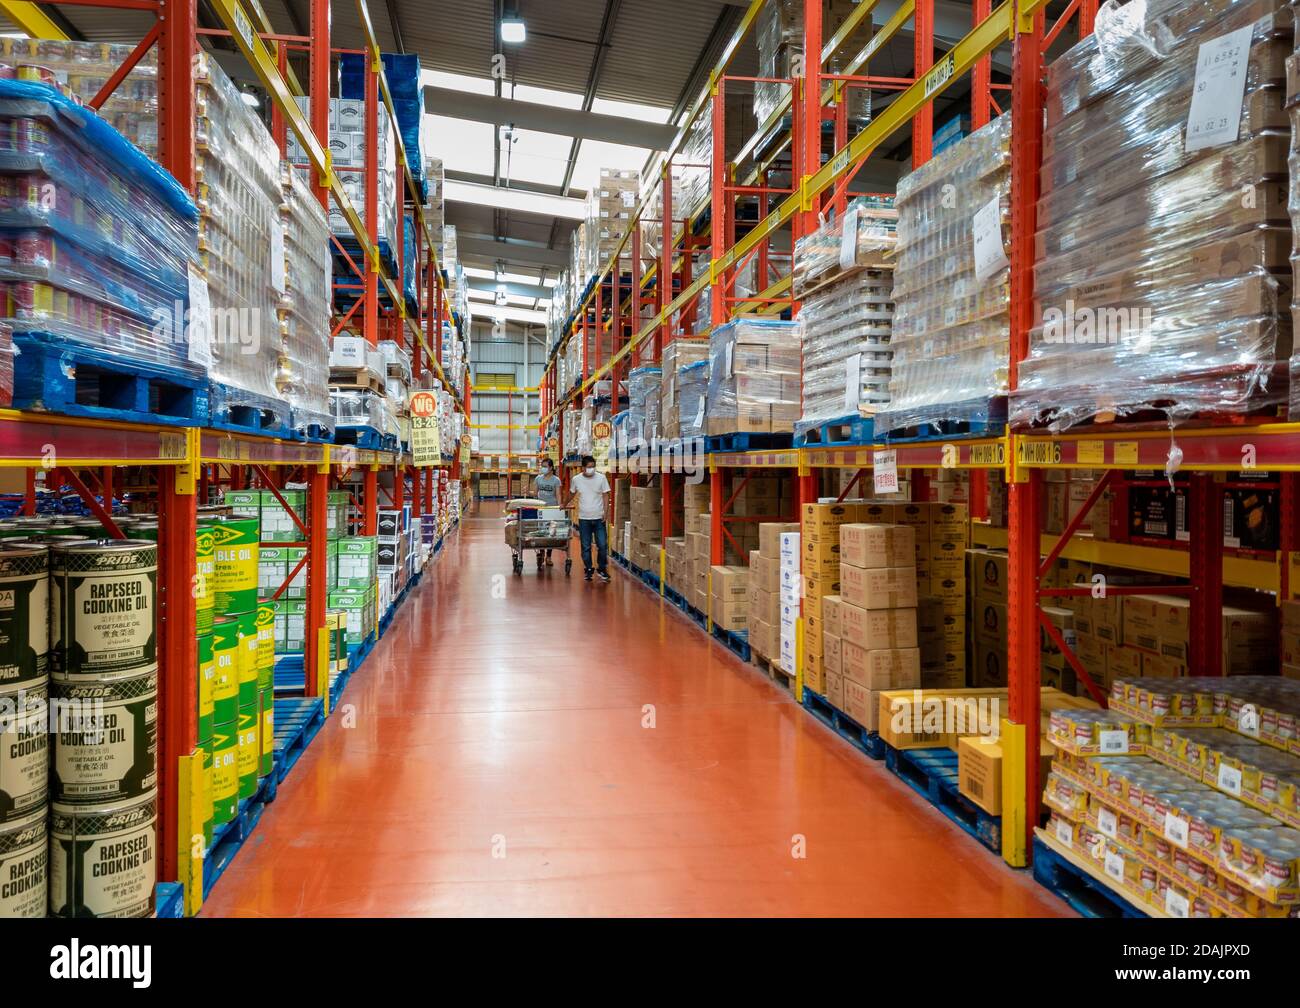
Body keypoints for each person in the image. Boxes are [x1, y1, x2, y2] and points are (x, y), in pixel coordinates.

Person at [567, 455, 610, 582]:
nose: (591, 469)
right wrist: (564, 503)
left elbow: (606, 495)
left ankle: (602, 568)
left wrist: (605, 512)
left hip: (599, 518)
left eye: (593, 467)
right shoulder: (576, 479)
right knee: (585, 546)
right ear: (583, 468)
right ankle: (588, 568)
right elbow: (571, 493)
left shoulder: (601, 478)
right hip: (584, 518)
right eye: (589, 467)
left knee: (602, 545)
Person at [533, 458, 561, 568]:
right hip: (540, 509)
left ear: (550, 468)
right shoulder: (538, 479)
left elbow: (558, 494)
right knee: (541, 532)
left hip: (551, 508)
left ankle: (549, 556)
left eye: (545, 466)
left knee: (551, 533)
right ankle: (541, 552)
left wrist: (559, 506)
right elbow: (535, 494)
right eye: (542, 466)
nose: (543, 468)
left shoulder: (556, 480)